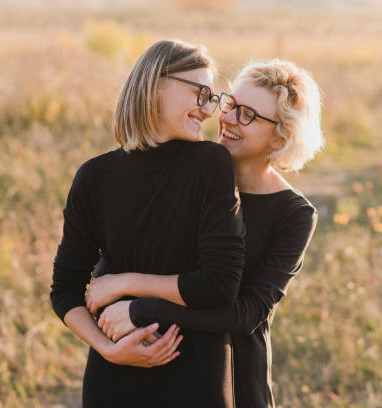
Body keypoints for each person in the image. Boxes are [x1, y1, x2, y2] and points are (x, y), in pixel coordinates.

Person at [85, 59, 324, 407]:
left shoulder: (294, 214)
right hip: (155, 364)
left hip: (235, 379)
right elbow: (118, 262)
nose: (226, 119)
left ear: (281, 136)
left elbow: (246, 315)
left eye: (248, 115)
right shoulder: (186, 173)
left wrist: (141, 307)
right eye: (230, 104)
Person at [50, 39, 245, 407]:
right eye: (201, 93)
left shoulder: (210, 163)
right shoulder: (94, 176)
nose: (208, 110)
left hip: (193, 373)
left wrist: (125, 282)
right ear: (155, 84)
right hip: (112, 379)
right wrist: (108, 349)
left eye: (212, 98)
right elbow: (65, 289)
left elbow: (220, 286)